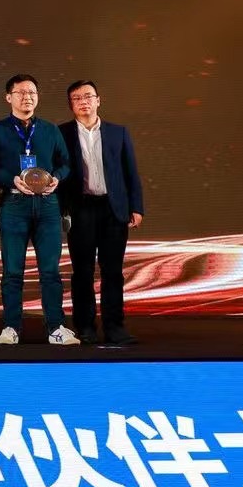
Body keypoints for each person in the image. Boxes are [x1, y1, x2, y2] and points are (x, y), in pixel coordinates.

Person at [0, 74, 78, 345]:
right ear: (8, 97)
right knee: (12, 271)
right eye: (21, 92)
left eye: (32, 92)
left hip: (48, 205)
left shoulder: (50, 130)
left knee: (50, 271)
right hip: (14, 204)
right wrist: (10, 179)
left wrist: (57, 177)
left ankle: (56, 327)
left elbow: (66, 163)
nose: (27, 97)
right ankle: (11, 328)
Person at [60, 80, 144, 345]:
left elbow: (130, 171)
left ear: (98, 100)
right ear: (71, 105)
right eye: (77, 98)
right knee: (82, 272)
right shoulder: (61, 133)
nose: (83, 102)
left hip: (113, 209)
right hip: (80, 208)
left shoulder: (118, 132)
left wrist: (136, 207)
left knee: (113, 272)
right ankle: (85, 327)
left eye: (88, 96)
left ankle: (115, 327)